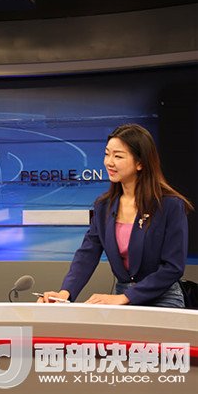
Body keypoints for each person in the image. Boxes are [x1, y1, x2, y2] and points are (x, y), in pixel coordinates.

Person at [39, 124, 193, 307]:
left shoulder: (169, 205)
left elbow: (173, 267)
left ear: (140, 163)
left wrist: (125, 298)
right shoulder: (103, 206)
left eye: (118, 156)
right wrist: (65, 293)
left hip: (162, 297)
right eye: (107, 154)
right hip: (122, 296)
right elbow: (87, 254)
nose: (109, 162)